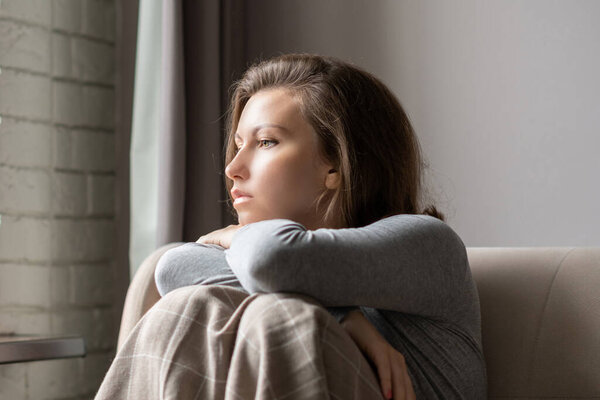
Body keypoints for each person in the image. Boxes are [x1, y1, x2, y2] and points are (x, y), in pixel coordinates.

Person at [96, 53, 486, 399]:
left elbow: (273, 258)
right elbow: (173, 268)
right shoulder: (270, 268)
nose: (233, 168)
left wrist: (237, 235)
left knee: (283, 320)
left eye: (266, 142)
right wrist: (343, 316)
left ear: (335, 164)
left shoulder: (429, 245)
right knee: (195, 303)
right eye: (238, 144)